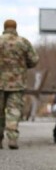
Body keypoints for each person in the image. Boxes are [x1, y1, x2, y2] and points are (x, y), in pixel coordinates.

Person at [0, 19, 39, 150]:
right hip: (17, 82)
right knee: (14, 111)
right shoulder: (23, 42)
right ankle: (12, 138)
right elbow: (34, 60)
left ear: (4, 27)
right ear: (15, 27)